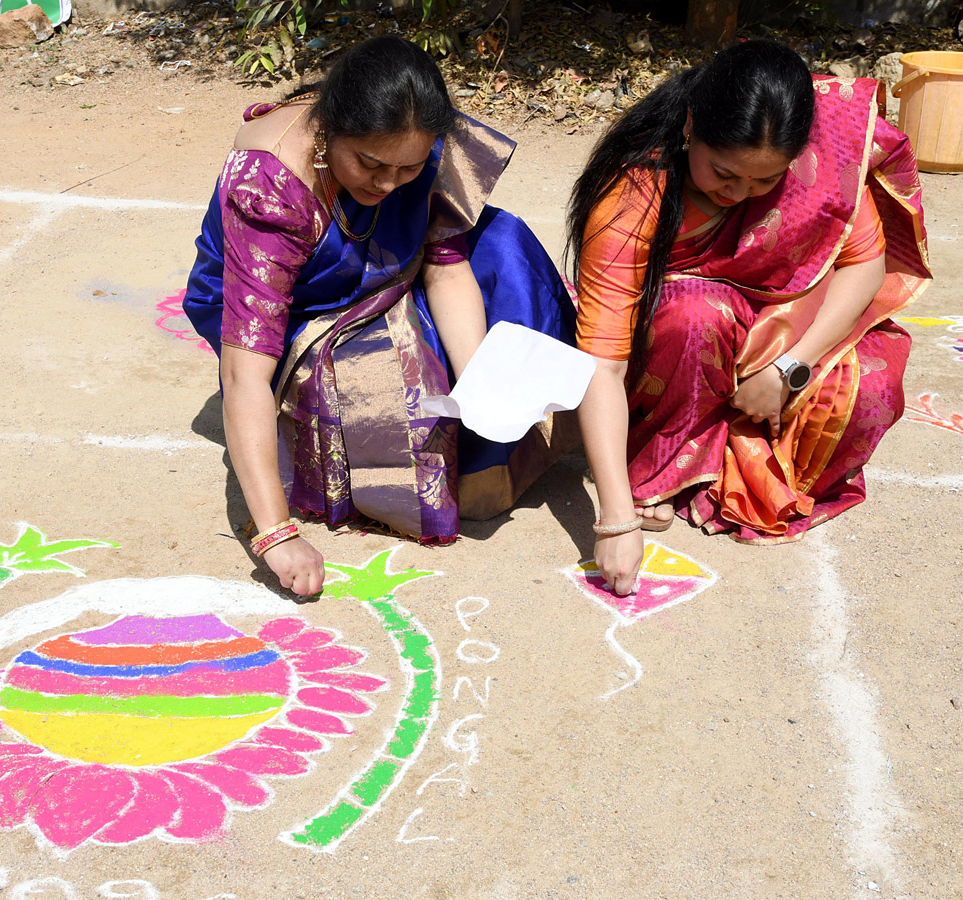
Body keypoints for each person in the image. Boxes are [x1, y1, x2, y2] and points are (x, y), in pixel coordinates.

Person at [184, 35, 576, 596]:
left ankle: (489, 454)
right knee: (378, 387)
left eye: (407, 170)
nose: (389, 185)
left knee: (506, 246)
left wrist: (478, 386)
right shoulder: (272, 184)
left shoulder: (416, 143)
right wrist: (275, 534)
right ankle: (459, 463)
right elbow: (244, 374)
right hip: (298, 310)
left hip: (387, 270)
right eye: (370, 165)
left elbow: (445, 267)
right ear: (331, 130)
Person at [569, 40, 931, 596]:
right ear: (691, 126)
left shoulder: (821, 152)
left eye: (766, 182)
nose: (742, 195)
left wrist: (789, 369)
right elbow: (604, 365)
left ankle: (728, 450)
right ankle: (670, 460)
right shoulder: (635, 191)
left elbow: (864, 266)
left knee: (870, 389)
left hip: (786, 337)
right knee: (695, 316)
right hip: (686, 342)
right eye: (724, 174)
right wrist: (614, 519)